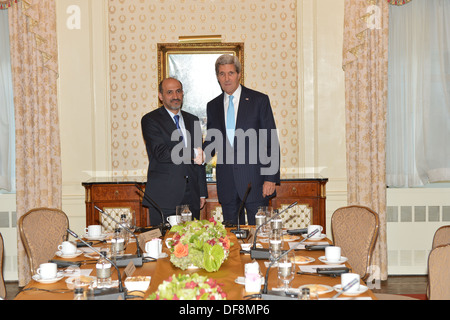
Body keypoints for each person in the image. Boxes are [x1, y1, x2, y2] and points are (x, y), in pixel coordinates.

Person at [204, 54, 280, 225]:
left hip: (256, 183)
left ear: (239, 74)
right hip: (227, 184)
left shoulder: (258, 100)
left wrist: (270, 177)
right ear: (217, 77)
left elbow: (271, 141)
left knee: (258, 237)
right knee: (231, 240)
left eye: (230, 73)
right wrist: (199, 155)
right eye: (222, 74)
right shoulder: (213, 106)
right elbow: (212, 140)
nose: (226, 78)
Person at [141, 77, 207, 226]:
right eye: (169, 92)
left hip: (192, 197)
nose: (175, 96)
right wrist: (193, 154)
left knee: (192, 244)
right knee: (165, 244)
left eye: (178, 91)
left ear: (183, 93)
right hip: (164, 196)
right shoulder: (150, 120)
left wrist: (202, 192)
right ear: (161, 96)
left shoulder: (193, 120)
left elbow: (200, 159)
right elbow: (161, 152)